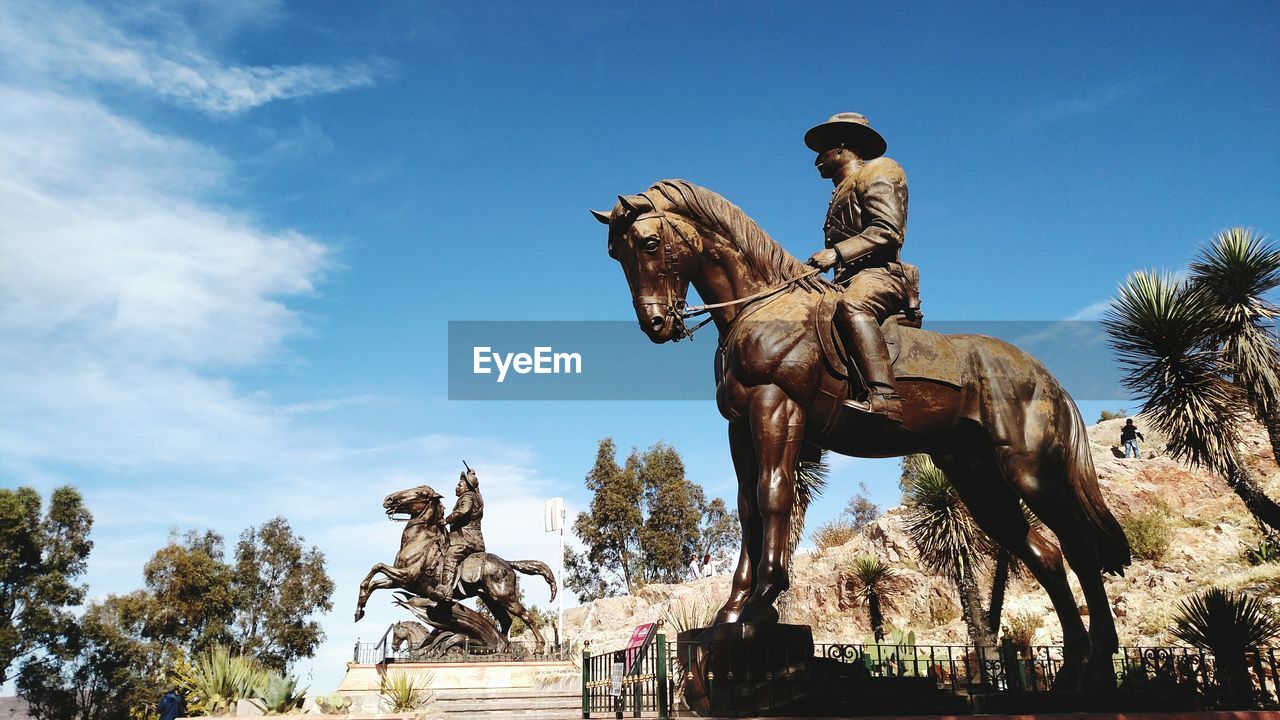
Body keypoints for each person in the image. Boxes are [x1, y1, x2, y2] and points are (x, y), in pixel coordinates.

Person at [804, 112, 920, 425]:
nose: (816, 159)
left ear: (841, 147)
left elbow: (887, 230)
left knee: (851, 306)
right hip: (847, 280)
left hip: (882, 277)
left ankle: (884, 396)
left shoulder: (880, 170)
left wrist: (836, 253)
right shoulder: (839, 191)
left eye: (822, 151)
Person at [433, 464, 485, 599]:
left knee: (451, 555)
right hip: (472, 539)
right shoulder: (475, 496)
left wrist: (447, 520)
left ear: (467, 487)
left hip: (466, 539)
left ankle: (447, 591)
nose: (456, 487)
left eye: (459, 485)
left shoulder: (467, 497)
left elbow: (463, 511)